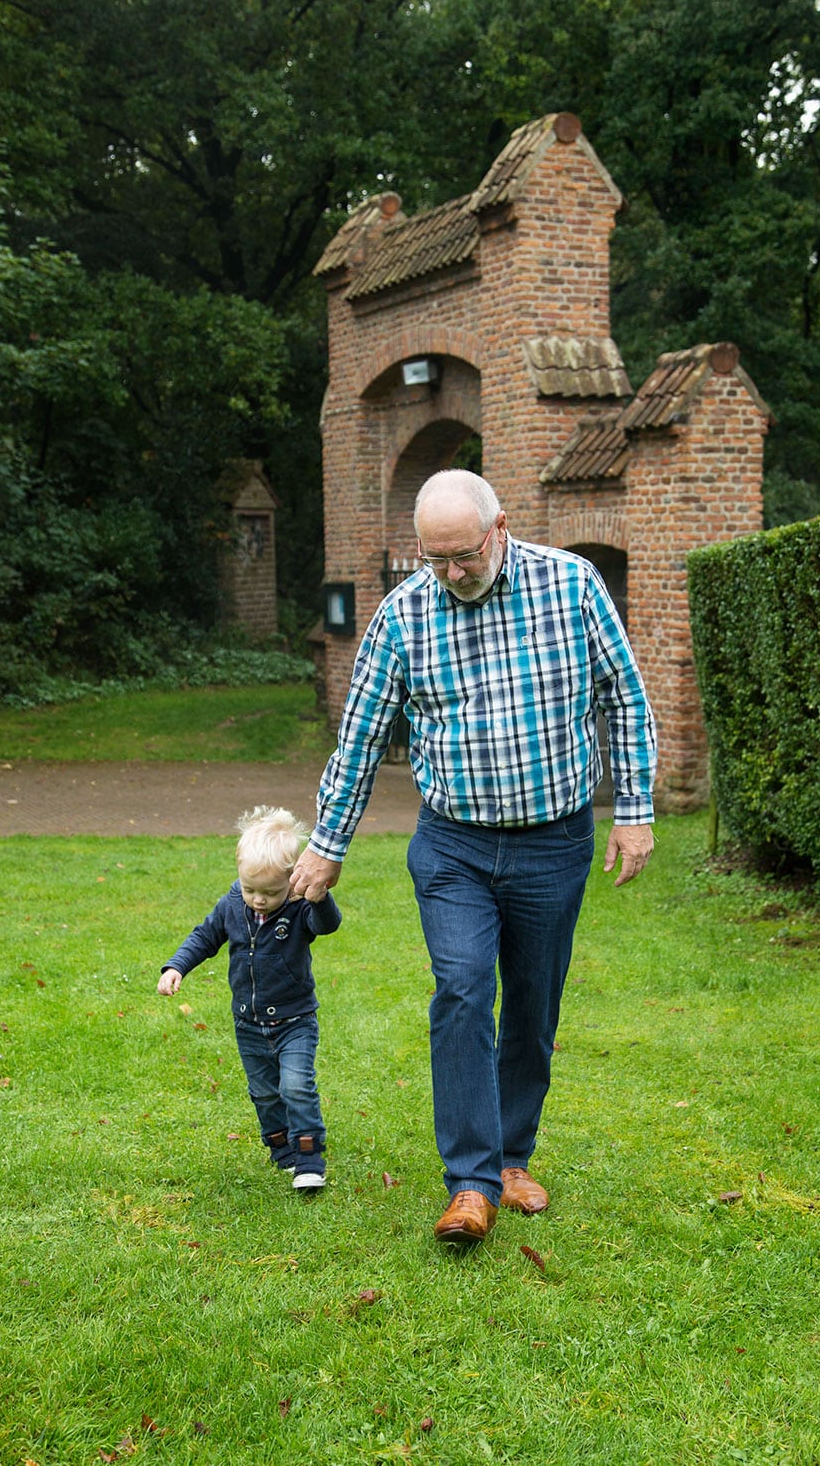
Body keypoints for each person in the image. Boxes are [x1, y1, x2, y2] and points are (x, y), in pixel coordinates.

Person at [289, 470, 656, 1241]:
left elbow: (624, 695)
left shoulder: (572, 585)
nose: (452, 573)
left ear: (498, 530)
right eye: (435, 559)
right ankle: (470, 1183)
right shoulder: (403, 615)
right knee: (460, 989)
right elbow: (358, 742)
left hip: (553, 841)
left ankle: (513, 1156)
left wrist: (635, 810)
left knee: (532, 1002)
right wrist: (327, 846)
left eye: (463, 555)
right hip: (453, 842)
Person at [157, 806, 341, 1191]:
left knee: (295, 1086)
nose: (258, 900)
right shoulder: (231, 907)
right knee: (264, 1092)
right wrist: (175, 967)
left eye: (270, 892)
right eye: (250, 889)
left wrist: (320, 899)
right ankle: (281, 1150)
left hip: (295, 1021)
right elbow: (204, 938)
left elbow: (327, 926)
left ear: (292, 879)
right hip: (249, 1024)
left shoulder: (300, 907)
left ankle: (309, 1157)